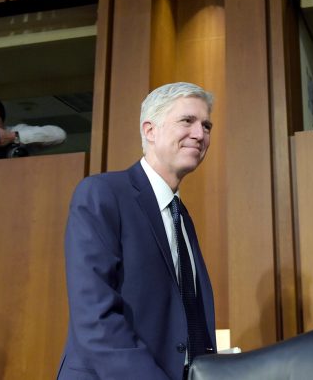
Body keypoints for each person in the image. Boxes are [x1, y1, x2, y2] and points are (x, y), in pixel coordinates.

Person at [57, 82, 217, 380]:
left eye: (206, 125)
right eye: (187, 121)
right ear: (150, 130)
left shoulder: (182, 217)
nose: (200, 134)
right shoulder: (102, 194)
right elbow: (95, 318)